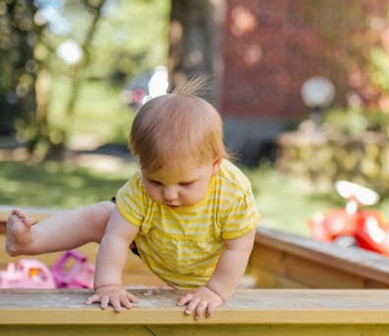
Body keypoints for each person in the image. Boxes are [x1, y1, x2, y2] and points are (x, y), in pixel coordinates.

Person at [5, 76, 261, 319]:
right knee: (104, 215)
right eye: (156, 181)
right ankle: (30, 240)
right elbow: (117, 238)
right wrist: (107, 285)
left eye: (186, 183)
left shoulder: (232, 192)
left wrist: (215, 290)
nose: (170, 194)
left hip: (207, 266)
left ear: (215, 165)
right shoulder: (138, 188)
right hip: (156, 243)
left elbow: (238, 247)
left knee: (226, 258)